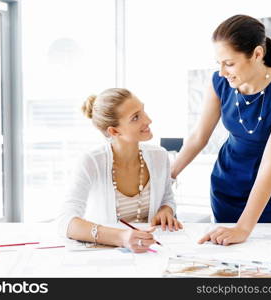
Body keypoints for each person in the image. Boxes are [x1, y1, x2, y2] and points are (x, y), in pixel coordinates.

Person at [171, 15, 271, 246]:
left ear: (258, 54)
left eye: (229, 63)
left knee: (265, 258)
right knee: (226, 259)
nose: (222, 72)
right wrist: (167, 178)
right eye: (218, 63)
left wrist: (243, 228)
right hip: (226, 184)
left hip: (267, 192)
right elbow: (198, 137)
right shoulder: (218, 82)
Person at [56, 88, 183, 253]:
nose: (148, 120)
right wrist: (122, 237)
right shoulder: (91, 161)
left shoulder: (159, 156)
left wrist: (166, 209)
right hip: (107, 255)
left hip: (149, 251)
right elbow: (65, 222)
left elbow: (167, 197)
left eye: (143, 111)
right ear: (114, 131)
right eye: (136, 117)